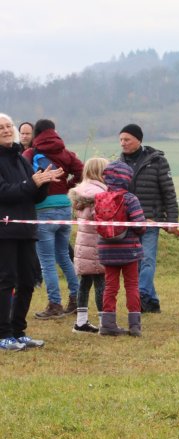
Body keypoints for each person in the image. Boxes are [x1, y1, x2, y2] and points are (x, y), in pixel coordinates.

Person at [0, 113, 58, 351]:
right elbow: (4, 192)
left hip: (26, 228)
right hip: (4, 231)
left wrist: (44, 183)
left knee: (27, 280)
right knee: (6, 281)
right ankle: (3, 334)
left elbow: (33, 196)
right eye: (1, 128)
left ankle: (18, 331)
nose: (6, 130)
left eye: (8, 126)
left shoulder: (20, 157)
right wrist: (31, 183)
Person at [24, 119, 83, 319]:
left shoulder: (30, 153)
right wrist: (68, 186)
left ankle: (55, 304)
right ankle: (77, 299)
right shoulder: (66, 153)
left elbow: (22, 177)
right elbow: (81, 171)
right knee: (64, 256)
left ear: (36, 133)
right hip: (65, 207)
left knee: (47, 261)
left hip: (43, 209)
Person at [118, 123, 178, 314]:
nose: (123, 143)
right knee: (135, 262)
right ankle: (152, 302)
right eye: (121, 140)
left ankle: (141, 295)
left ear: (138, 140)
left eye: (127, 139)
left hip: (151, 220)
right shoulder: (119, 164)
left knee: (147, 260)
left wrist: (172, 220)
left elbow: (169, 192)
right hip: (129, 222)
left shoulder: (158, 161)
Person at [97, 161, 146, 337]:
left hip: (107, 250)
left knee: (110, 286)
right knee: (132, 285)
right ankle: (135, 325)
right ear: (127, 179)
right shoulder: (130, 199)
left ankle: (108, 324)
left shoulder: (100, 198)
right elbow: (140, 225)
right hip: (129, 250)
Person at [68, 157, 109, 334]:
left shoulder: (80, 191)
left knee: (84, 282)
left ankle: (81, 322)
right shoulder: (100, 194)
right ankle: (104, 322)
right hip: (96, 244)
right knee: (101, 282)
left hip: (83, 243)